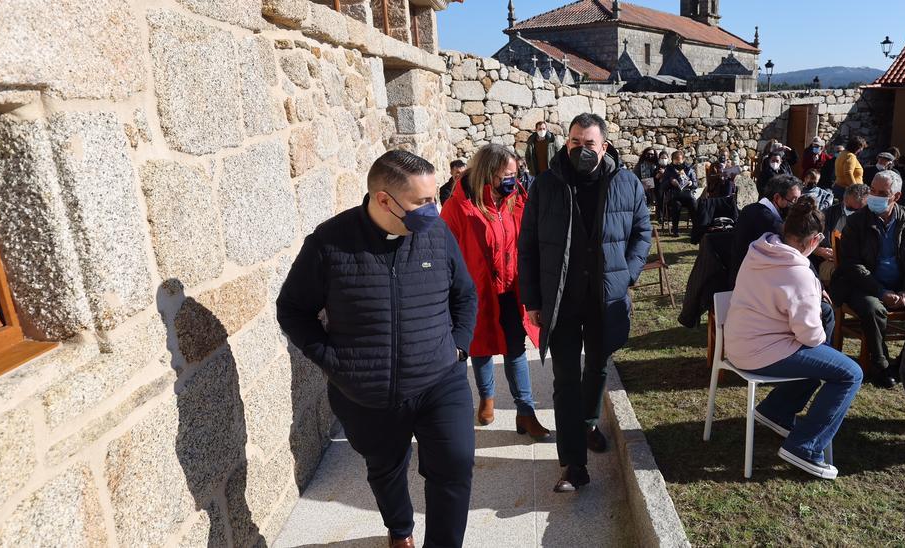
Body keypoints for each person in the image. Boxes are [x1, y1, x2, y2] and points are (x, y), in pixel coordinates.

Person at [277, 150, 478, 548]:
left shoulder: (437, 233)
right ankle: (400, 529)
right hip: (366, 394)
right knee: (385, 468)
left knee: (455, 465)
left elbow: (465, 295)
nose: (433, 209)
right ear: (384, 200)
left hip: (440, 379)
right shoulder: (328, 244)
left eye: (433, 197)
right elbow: (293, 310)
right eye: (422, 202)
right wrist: (334, 362)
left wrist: (458, 347)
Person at [518, 113, 652, 493]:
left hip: (604, 297)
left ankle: (589, 421)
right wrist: (531, 299)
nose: (581, 149)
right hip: (560, 299)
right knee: (564, 380)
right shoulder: (546, 184)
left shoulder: (626, 184)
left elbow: (642, 233)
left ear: (604, 146)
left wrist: (626, 275)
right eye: (575, 142)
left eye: (589, 143)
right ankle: (573, 465)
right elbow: (526, 245)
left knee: (595, 367)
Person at [724, 197, 863, 480]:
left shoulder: (759, 250)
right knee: (850, 373)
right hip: (763, 351)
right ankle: (804, 447)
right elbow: (810, 336)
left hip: (740, 342)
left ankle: (777, 410)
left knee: (824, 361)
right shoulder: (800, 273)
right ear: (816, 239)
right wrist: (813, 297)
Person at [441, 144, 552, 440]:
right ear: (489, 173)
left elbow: (528, 240)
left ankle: (525, 412)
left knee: (516, 349)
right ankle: (487, 398)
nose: (513, 180)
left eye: (515, 174)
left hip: (512, 289)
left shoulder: (516, 200)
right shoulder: (459, 206)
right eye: (507, 174)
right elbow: (444, 250)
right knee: (481, 347)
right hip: (476, 291)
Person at [831, 170, 905, 388]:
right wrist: (881, 292)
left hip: (902, 286)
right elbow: (852, 264)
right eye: (872, 190)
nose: (874, 196)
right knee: (873, 308)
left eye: (882, 192)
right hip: (864, 286)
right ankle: (881, 365)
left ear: (896, 196)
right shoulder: (857, 221)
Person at [732, 174, 804, 281]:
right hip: (754, 282)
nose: (795, 205)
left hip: (739, 275)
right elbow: (792, 253)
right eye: (793, 200)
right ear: (777, 198)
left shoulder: (750, 208)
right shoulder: (771, 221)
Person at [664, 150, 700, 236]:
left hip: (687, 194)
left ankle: (696, 228)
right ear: (672, 160)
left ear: (683, 159)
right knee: (676, 205)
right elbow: (663, 186)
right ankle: (675, 229)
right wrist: (670, 182)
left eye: (679, 159)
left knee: (693, 203)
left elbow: (695, 184)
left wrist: (691, 183)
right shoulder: (669, 170)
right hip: (674, 195)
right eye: (675, 159)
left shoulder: (689, 169)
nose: (677, 161)